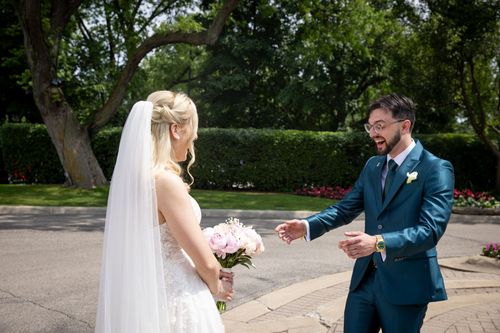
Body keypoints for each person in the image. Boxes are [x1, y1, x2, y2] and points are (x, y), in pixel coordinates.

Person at [275, 93, 454, 333]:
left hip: (407, 284)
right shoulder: (373, 165)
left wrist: (378, 243)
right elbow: (345, 208)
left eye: (380, 126)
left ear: (405, 125)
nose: (372, 133)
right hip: (365, 281)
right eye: (370, 126)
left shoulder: (435, 168)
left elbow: (430, 231)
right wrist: (307, 226)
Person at [95, 91, 233, 333]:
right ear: (176, 129)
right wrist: (218, 286)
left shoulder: (136, 181)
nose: (195, 136)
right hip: (177, 299)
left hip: (144, 296)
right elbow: (206, 264)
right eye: (193, 128)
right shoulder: (166, 183)